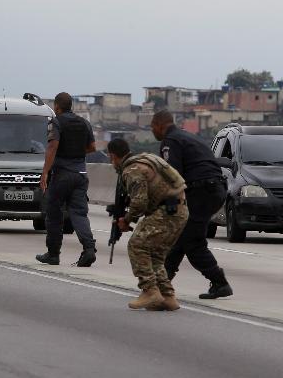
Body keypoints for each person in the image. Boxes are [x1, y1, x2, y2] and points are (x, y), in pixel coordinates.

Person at [151, 111, 232, 299]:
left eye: (152, 127)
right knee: (181, 237)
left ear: (160, 125)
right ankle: (162, 284)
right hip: (213, 189)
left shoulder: (170, 141)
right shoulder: (185, 136)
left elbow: (172, 175)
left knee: (192, 242)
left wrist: (168, 203)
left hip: (202, 192)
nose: (152, 131)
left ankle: (220, 282)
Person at [107, 138, 188, 311]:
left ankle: (150, 291)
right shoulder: (145, 160)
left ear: (113, 156)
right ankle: (167, 296)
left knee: (136, 245)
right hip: (179, 211)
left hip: (166, 212)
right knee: (155, 254)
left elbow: (139, 203)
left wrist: (126, 220)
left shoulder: (131, 170)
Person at [36, 92, 97, 266]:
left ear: (56, 106)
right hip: (80, 175)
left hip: (62, 175)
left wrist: (45, 172)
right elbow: (92, 147)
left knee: (54, 213)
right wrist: (76, 153)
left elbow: (52, 146)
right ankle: (89, 249)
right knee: (79, 213)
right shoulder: (84, 123)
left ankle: (53, 254)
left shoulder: (56, 122)